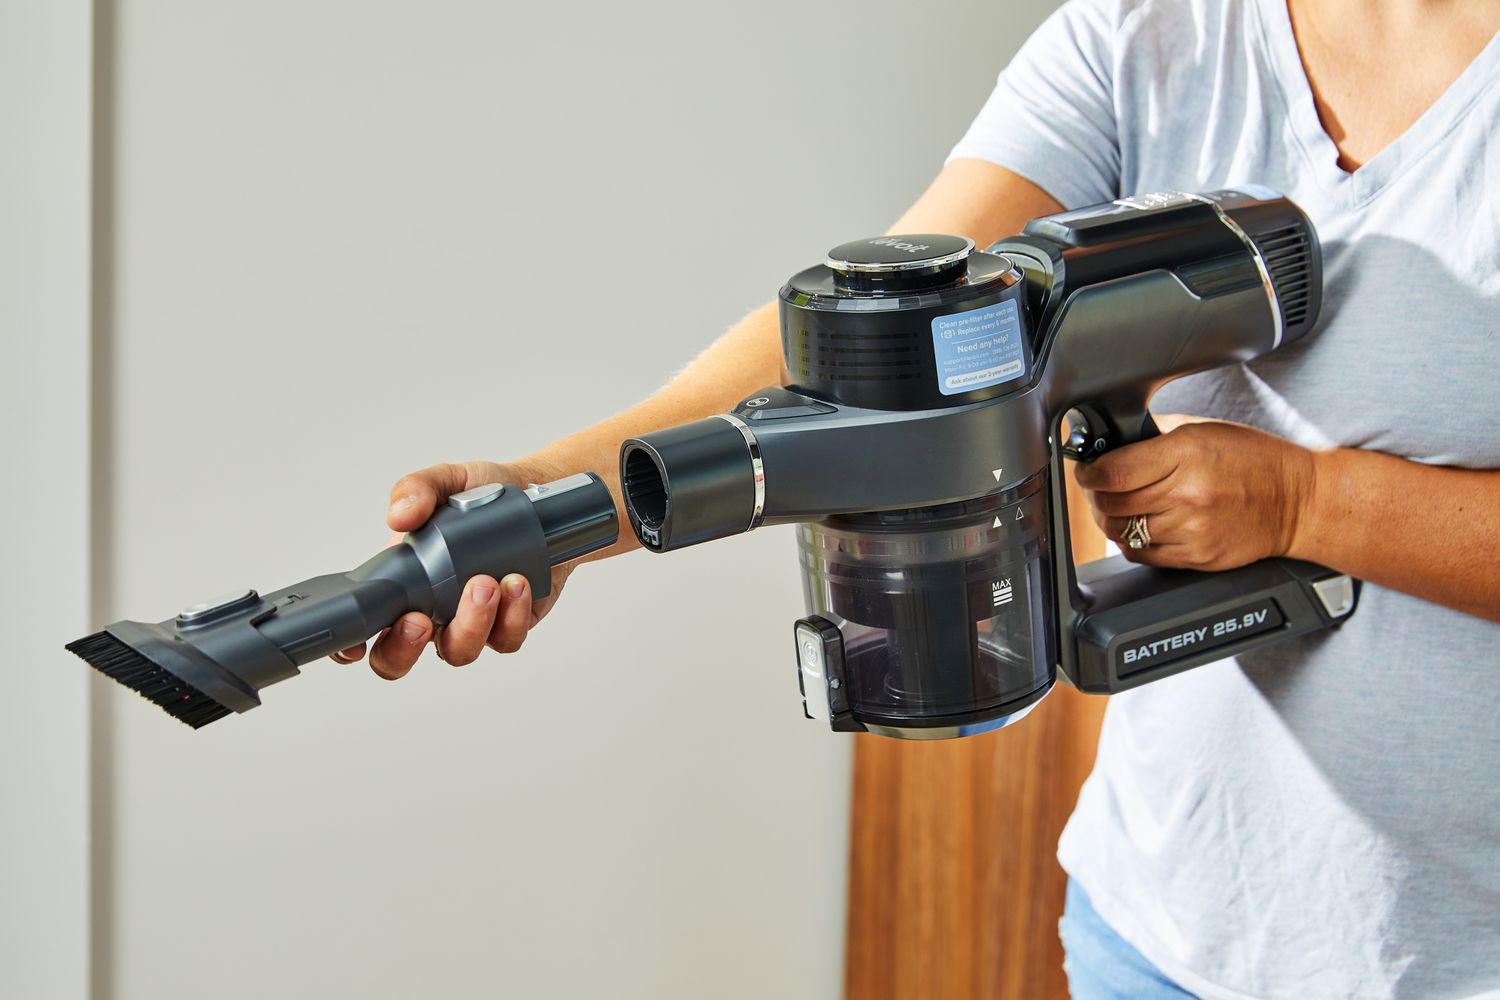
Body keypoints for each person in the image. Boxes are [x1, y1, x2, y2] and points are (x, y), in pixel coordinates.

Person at [333, 0, 1500, 995]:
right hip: (1166, 930)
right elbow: (877, 340)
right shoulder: (1151, 34)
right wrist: (546, 500)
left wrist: (1308, 506)